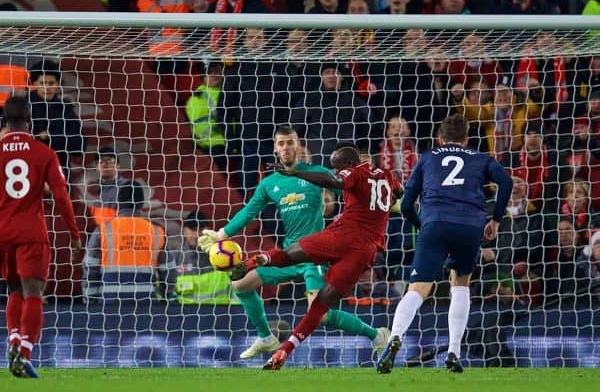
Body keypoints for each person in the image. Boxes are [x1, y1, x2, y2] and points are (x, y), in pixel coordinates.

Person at [198, 127, 389, 359]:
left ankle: (377, 336)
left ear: (298, 145)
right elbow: (249, 212)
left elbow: (349, 189)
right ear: (275, 148)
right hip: (289, 253)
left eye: (290, 142)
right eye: (281, 143)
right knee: (240, 284)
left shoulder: (316, 173)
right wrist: (221, 234)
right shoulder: (269, 184)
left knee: (321, 315)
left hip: (315, 255)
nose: (286, 147)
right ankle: (266, 338)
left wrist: (346, 210)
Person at [236, 140, 401, 370]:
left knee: (318, 305)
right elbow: (400, 193)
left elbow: (335, 180)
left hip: (342, 236)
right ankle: (278, 345)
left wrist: (296, 172)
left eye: (338, 167)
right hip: (365, 250)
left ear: (350, 164)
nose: (336, 170)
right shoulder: (386, 174)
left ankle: (374, 335)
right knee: (252, 283)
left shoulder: (355, 172)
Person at [376, 114, 513, 374]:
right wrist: (495, 220)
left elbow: (405, 204)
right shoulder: (480, 158)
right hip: (470, 226)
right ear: (467, 139)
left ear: (439, 138)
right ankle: (453, 351)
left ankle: (395, 337)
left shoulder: (427, 157)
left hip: (435, 222)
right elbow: (506, 181)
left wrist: (422, 226)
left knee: (417, 289)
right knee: (460, 285)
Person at [0, 96, 81, 378]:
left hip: (2, 232)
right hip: (31, 232)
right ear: (30, 120)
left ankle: (12, 340)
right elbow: (61, 195)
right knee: (33, 293)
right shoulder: (43, 152)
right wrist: (74, 232)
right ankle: (24, 352)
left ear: (4, 121)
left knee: (14, 291)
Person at [82, 182, 171, 301]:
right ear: (141, 203)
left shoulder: (103, 230)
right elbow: (169, 272)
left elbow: (90, 269)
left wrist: (91, 302)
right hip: (147, 306)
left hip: (109, 305)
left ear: (118, 202)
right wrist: (162, 297)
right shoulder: (156, 231)